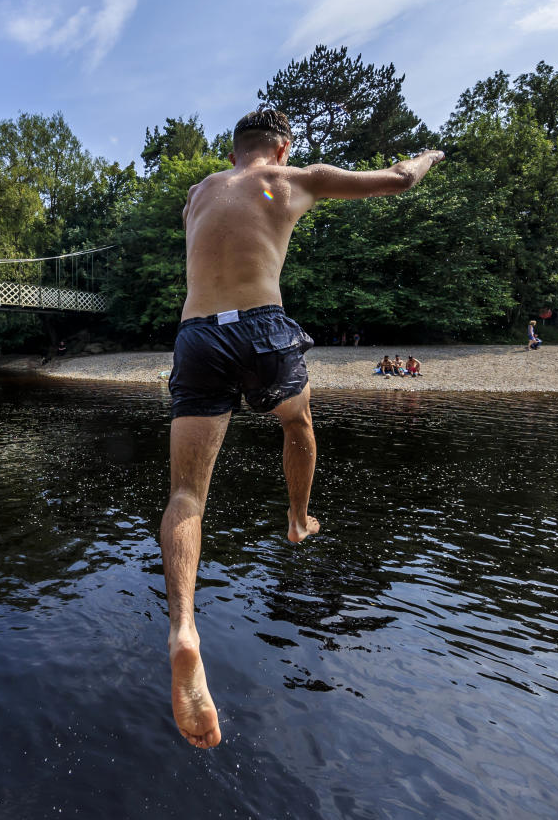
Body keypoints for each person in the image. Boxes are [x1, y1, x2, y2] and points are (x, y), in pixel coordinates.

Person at [159, 106, 444, 749]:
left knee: (187, 495)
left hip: (199, 335)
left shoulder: (198, 191)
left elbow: (207, 221)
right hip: (264, 325)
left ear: (233, 152)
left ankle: (183, 630)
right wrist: (432, 156)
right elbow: (400, 179)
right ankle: (296, 518)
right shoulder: (295, 179)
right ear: (282, 147)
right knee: (297, 422)